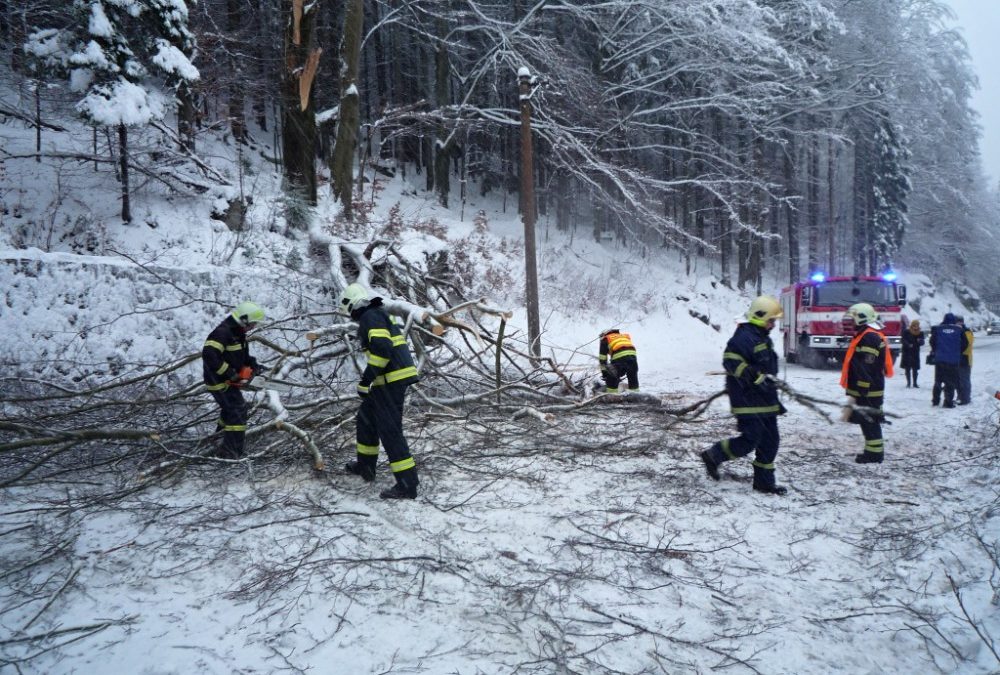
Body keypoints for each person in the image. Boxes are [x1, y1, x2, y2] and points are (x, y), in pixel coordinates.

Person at [339, 283, 421, 499]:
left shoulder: (370, 316)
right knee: (366, 418)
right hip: (387, 380)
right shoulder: (375, 314)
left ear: (352, 305)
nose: (350, 317)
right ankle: (365, 466)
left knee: (390, 431)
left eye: (348, 312)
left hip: (391, 380)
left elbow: (382, 350)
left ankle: (407, 485)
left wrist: (366, 381)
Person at [700, 296, 787, 495]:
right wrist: (754, 376)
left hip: (765, 399)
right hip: (747, 399)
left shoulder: (761, 335)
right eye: (771, 320)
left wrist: (768, 381)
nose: (773, 325)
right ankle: (714, 455)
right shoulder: (743, 337)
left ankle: (764, 483)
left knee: (771, 441)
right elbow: (730, 361)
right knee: (750, 440)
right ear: (759, 316)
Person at [202, 301, 265, 458]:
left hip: (227, 381)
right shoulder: (222, 333)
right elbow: (210, 355)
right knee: (238, 409)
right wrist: (230, 374)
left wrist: (253, 365)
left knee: (230, 409)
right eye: (252, 324)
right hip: (218, 381)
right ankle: (230, 453)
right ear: (244, 320)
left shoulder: (238, 335)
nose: (253, 327)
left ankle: (218, 440)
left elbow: (242, 357)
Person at [840, 303, 894, 464]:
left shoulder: (869, 337)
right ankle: (872, 452)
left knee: (870, 421)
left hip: (869, 389)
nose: (851, 323)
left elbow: (867, 365)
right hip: (869, 388)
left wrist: (862, 387)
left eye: (853, 319)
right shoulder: (866, 335)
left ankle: (874, 454)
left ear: (861, 318)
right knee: (867, 420)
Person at [929, 312, 966, 408]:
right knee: (950, 381)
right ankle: (948, 401)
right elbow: (965, 344)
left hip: (940, 359)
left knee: (938, 380)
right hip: (953, 360)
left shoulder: (938, 329)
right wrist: (957, 351)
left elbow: (932, 341)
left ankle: (935, 400)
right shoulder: (959, 330)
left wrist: (936, 351)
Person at [598, 328, 639, 393]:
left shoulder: (605, 339)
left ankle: (612, 396)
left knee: (611, 377)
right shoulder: (622, 336)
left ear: (603, 335)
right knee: (632, 377)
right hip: (633, 357)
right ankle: (636, 395)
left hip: (619, 357)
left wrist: (605, 374)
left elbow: (602, 360)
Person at [899, 319, 924, 388]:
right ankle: (908, 383)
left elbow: (922, 342)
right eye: (915, 325)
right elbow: (903, 340)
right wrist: (908, 344)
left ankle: (915, 383)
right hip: (907, 352)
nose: (916, 327)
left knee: (915, 369)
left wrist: (920, 341)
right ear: (912, 325)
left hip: (915, 352)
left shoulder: (920, 333)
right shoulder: (906, 332)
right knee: (907, 368)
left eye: (917, 325)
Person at [955, 316, 974, 405]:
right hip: (956, 360)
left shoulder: (967, 331)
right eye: (957, 323)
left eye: (960, 322)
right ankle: (960, 396)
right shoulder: (956, 331)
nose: (958, 324)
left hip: (966, 359)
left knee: (965, 380)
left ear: (962, 322)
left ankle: (966, 398)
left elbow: (968, 345)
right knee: (957, 380)